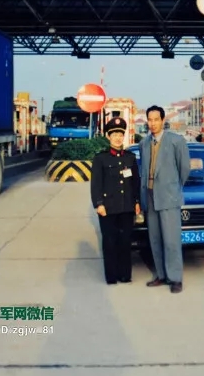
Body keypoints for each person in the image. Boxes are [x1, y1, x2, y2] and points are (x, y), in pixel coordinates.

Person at [139, 105, 191, 293]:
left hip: (168, 197)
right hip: (150, 196)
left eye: (156, 119)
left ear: (163, 120)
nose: (153, 123)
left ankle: (175, 278)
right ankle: (161, 275)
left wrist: (173, 188)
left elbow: (184, 169)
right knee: (155, 239)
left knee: (171, 240)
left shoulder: (176, 141)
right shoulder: (144, 143)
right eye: (150, 120)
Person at [90, 117, 141, 285]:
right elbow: (96, 184)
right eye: (114, 135)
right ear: (108, 136)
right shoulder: (101, 158)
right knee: (110, 242)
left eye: (120, 135)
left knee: (125, 241)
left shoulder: (130, 158)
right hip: (108, 208)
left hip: (126, 207)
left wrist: (137, 201)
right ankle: (111, 276)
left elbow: (135, 182)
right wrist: (99, 203)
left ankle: (125, 274)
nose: (118, 138)